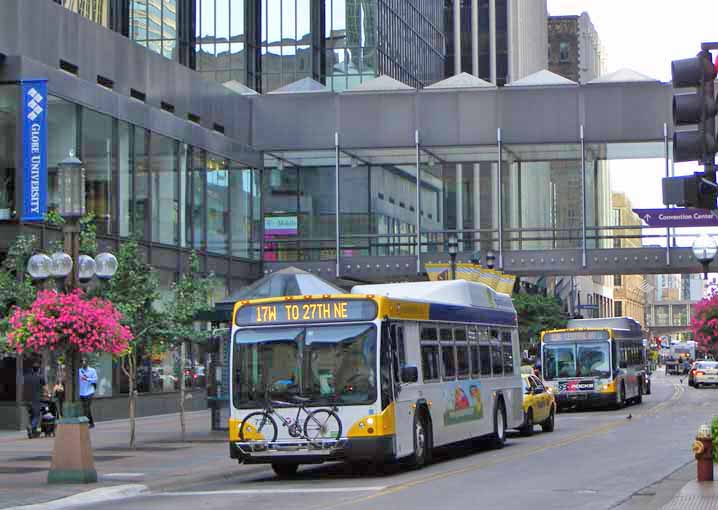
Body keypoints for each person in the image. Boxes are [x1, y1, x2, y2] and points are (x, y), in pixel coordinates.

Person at [25, 361, 47, 438]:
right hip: (36, 399)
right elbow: (45, 388)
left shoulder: (27, 377)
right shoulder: (40, 377)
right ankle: (31, 426)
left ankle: (33, 432)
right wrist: (48, 394)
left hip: (27, 399)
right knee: (37, 415)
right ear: (38, 369)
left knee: (31, 414)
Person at [79, 358, 97, 428]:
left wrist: (87, 379)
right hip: (81, 392)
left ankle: (85, 423)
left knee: (86, 407)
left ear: (87, 363)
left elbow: (95, 380)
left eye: (85, 361)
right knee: (85, 408)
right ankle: (91, 422)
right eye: (82, 361)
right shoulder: (79, 371)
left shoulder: (92, 370)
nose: (83, 363)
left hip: (89, 391)